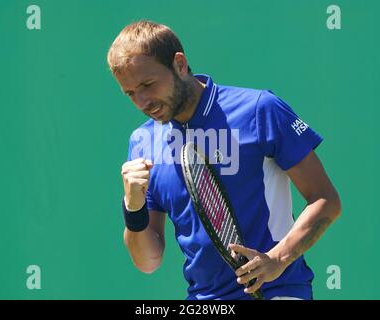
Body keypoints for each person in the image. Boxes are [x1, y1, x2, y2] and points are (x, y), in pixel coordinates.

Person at [107, 20, 342, 300]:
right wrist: (133, 208)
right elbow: (148, 261)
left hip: (277, 293)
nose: (142, 101)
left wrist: (277, 260)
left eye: (148, 84)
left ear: (179, 65)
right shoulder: (142, 142)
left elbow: (326, 199)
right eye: (130, 93)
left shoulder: (259, 110)